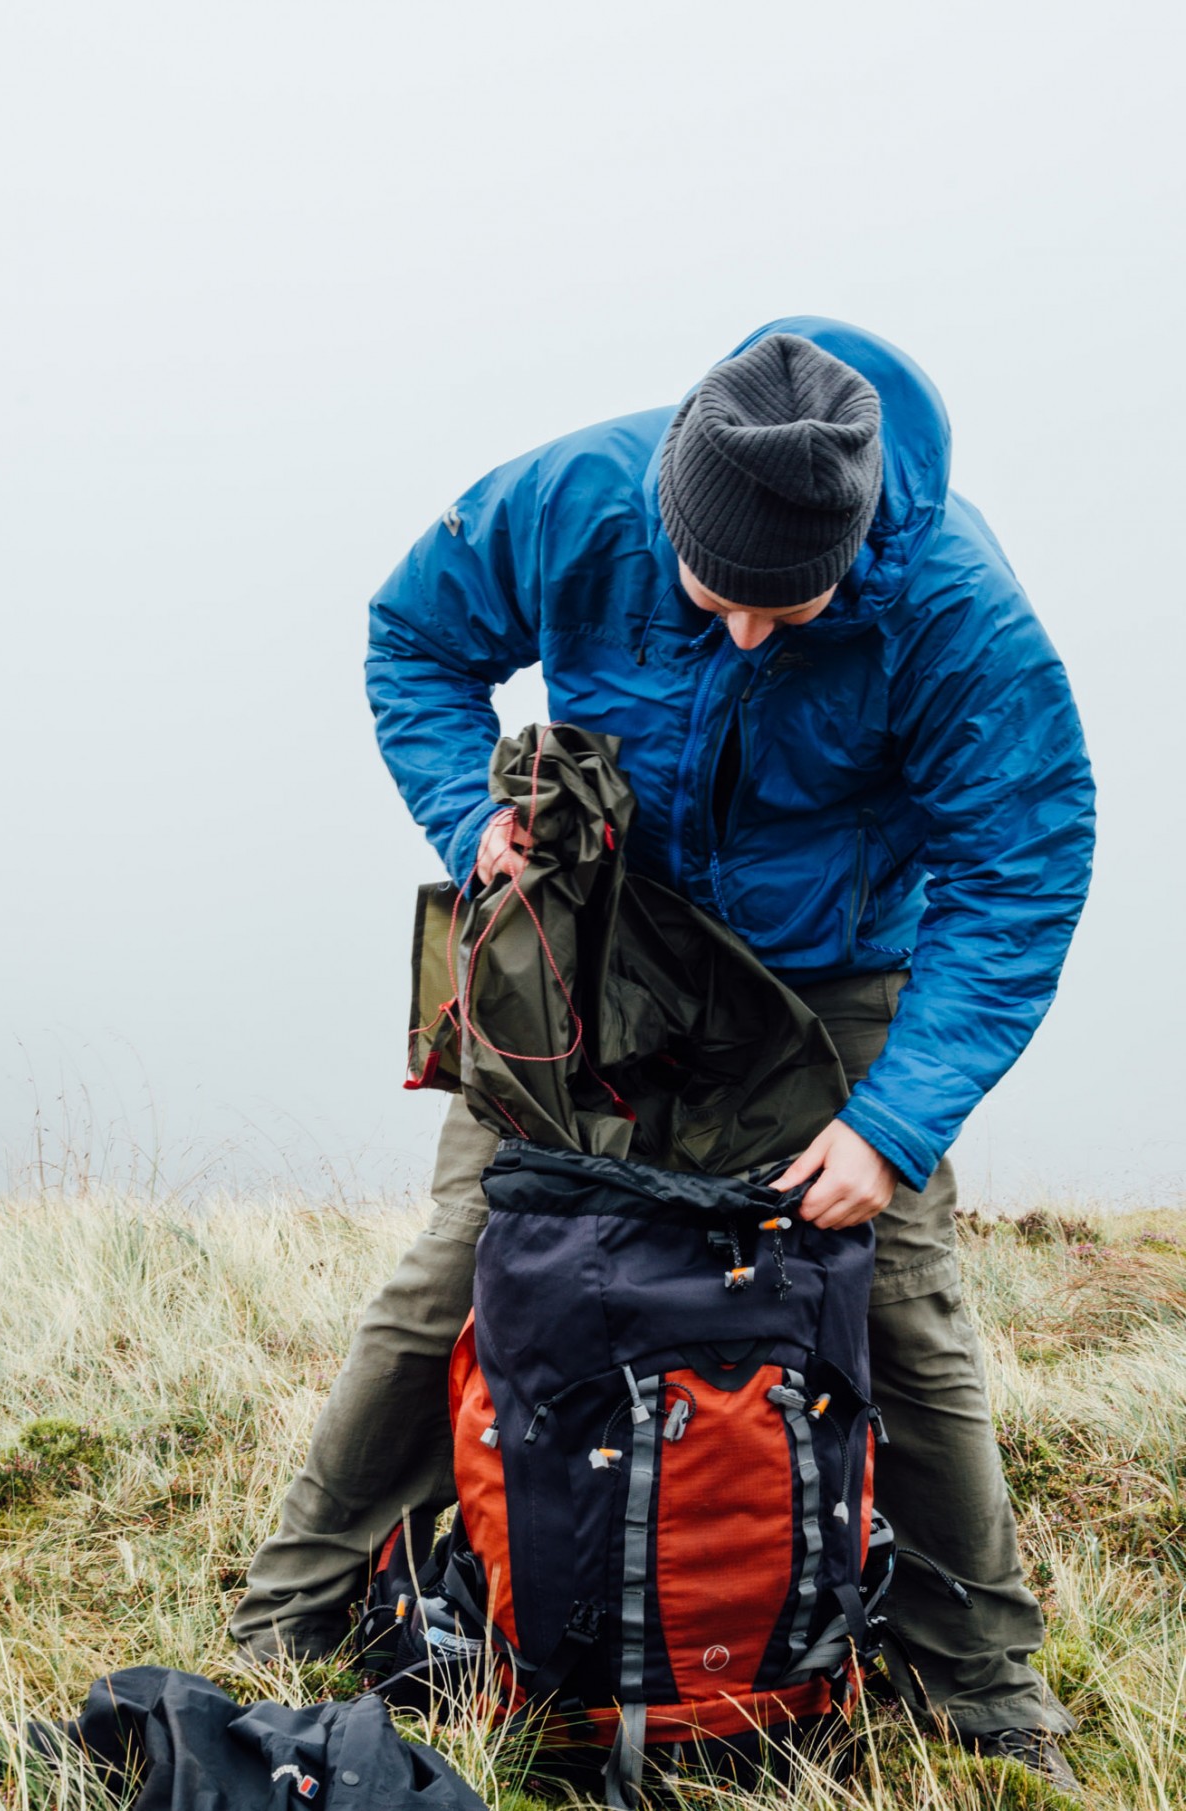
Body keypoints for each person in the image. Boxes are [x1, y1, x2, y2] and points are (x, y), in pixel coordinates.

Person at [231, 319, 1094, 1794]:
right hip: (596, 945)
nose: (753, 633)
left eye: (794, 606)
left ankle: (986, 1679)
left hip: (829, 986)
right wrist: (471, 821)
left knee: (902, 1299)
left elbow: (1020, 870)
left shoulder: (958, 613)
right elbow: (416, 639)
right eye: (719, 599)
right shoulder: (573, 499)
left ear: (860, 544)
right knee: (461, 1267)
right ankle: (286, 1613)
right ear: (669, 519)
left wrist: (893, 1125)